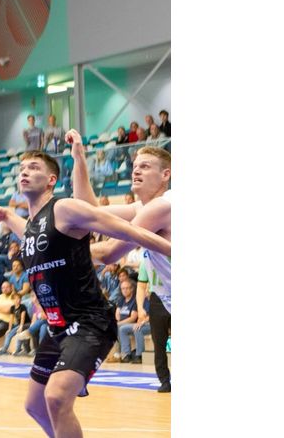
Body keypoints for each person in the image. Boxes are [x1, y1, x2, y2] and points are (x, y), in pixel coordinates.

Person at [0, 150, 170, 438]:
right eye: (22, 168)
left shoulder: (64, 208)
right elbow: (32, 235)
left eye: (33, 167)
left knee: (56, 397)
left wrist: (172, 249)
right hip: (58, 326)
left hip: (89, 322)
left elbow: (126, 232)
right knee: (35, 405)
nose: (25, 172)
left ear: (51, 180)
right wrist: (7, 215)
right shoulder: (34, 226)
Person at [69, 132, 172, 393]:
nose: (136, 170)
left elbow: (110, 253)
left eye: (145, 166)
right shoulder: (142, 207)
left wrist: (63, 252)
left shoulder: (162, 206)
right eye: (135, 166)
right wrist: (79, 158)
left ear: (166, 175)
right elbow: (89, 212)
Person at [114, 277, 148, 363]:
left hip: (148, 324)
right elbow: (117, 313)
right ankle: (126, 354)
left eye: (127, 288)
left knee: (135, 328)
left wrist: (142, 322)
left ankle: (139, 355)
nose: (125, 290)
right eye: (123, 289)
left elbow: (134, 318)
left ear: (132, 289)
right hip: (137, 323)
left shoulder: (139, 300)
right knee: (121, 328)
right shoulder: (122, 299)